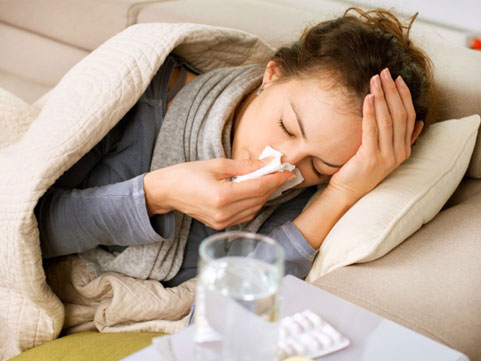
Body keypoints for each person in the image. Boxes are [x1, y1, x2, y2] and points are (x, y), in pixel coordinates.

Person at [35, 7, 434, 287]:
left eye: (322, 164)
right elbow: (26, 227)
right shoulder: (138, 96)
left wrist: (341, 192)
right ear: (272, 76)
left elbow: (236, 308)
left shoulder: (307, 191)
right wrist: (158, 194)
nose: (284, 166)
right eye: (287, 127)